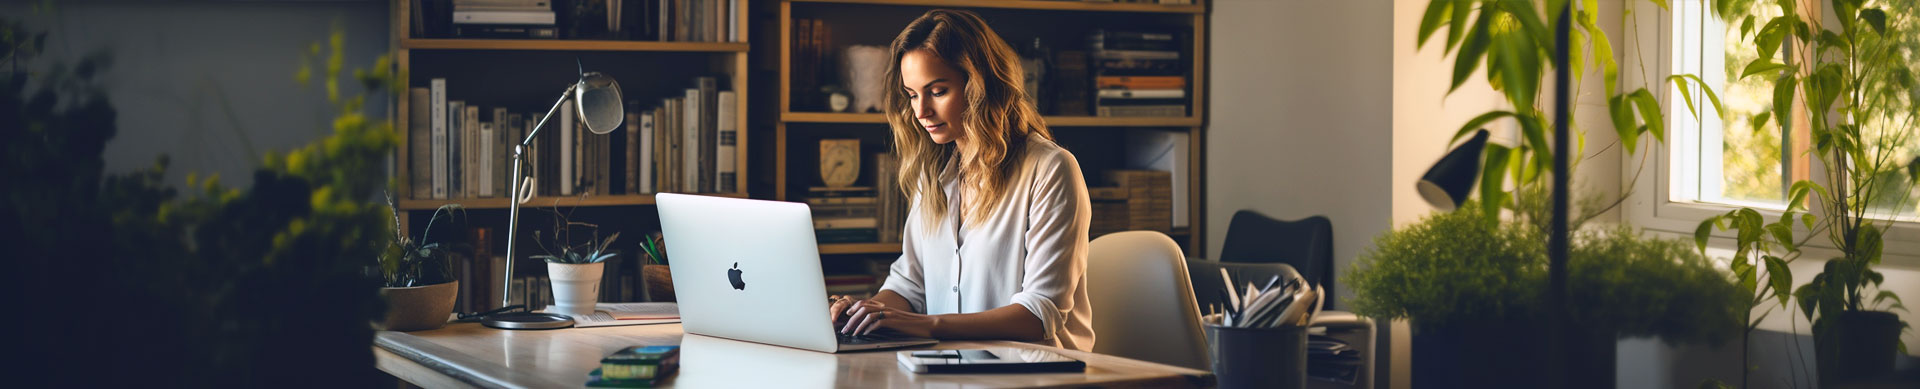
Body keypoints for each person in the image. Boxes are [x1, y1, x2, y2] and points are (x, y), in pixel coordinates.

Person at [826, 9, 1095, 351]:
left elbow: (1038, 315)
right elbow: (910, 284)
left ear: (982, 86)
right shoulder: (933, 172)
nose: (921, 111)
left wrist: (926, 325)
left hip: (1033, 373)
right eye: (911, 94)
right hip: (946, 369)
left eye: (937, 91)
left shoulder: (1050, 169)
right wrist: (866, 314)